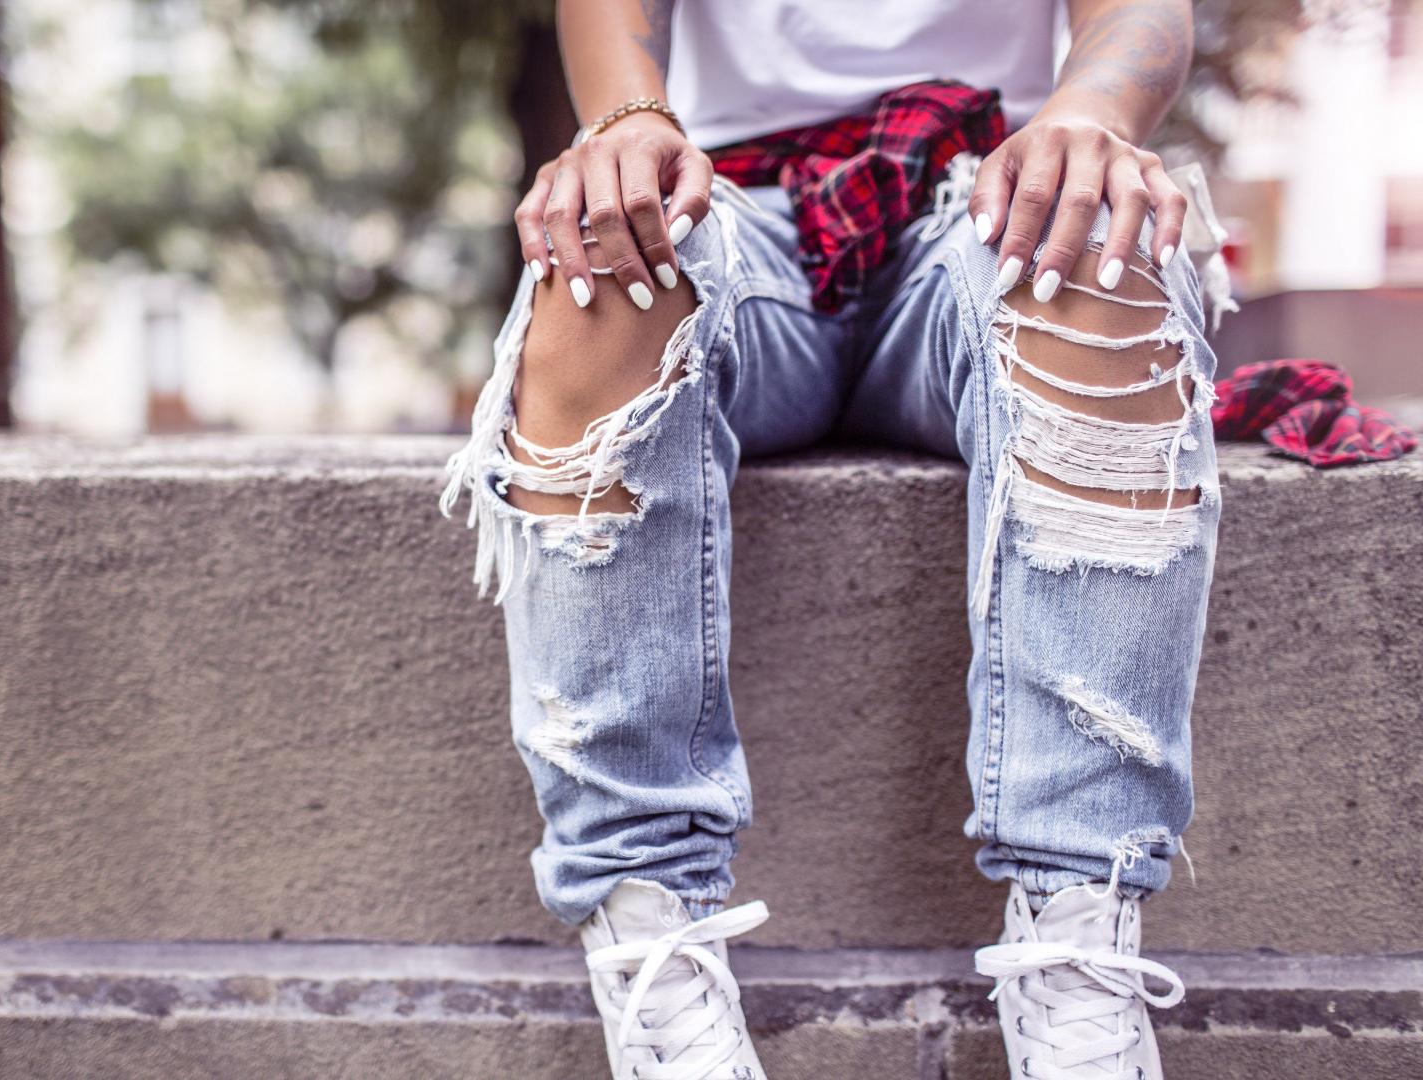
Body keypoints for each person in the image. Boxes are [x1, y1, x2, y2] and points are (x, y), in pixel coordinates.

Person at [441, 2, 1218, 1077]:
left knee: (1099, 252)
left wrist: (1089, 116)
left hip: (986, 199)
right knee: (598, 263)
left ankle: (1079, 959)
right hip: (728, 204)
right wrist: (626, 120)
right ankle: (650, 949)